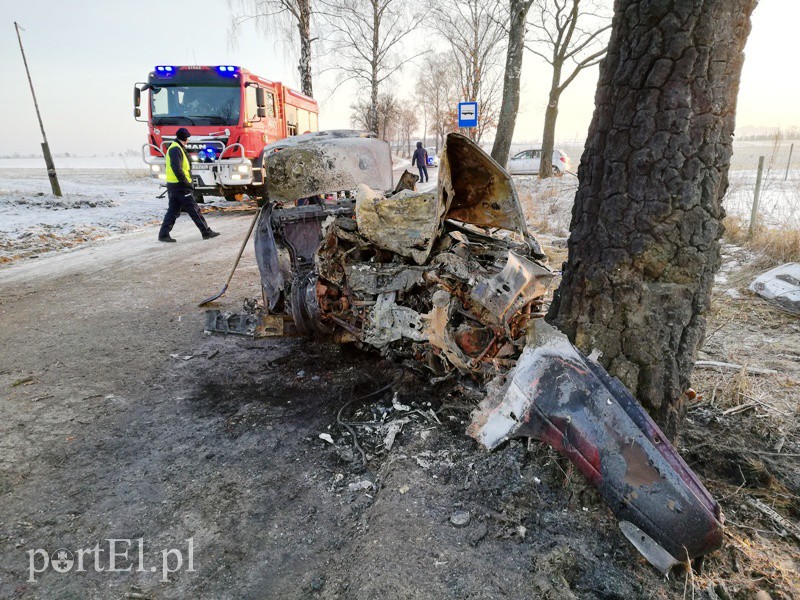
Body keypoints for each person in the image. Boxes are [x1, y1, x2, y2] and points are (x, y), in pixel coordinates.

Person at [158, 127, 220, 242]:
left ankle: (163, 234)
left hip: (174, 185)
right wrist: (186, 183)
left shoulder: (176, 147)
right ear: (185, 138)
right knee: (194, 209)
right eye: (188, 137)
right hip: (181, 186)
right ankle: (206, 232)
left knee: (173, 211)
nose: (188, 140)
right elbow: (177, 169)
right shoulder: (176, 149)